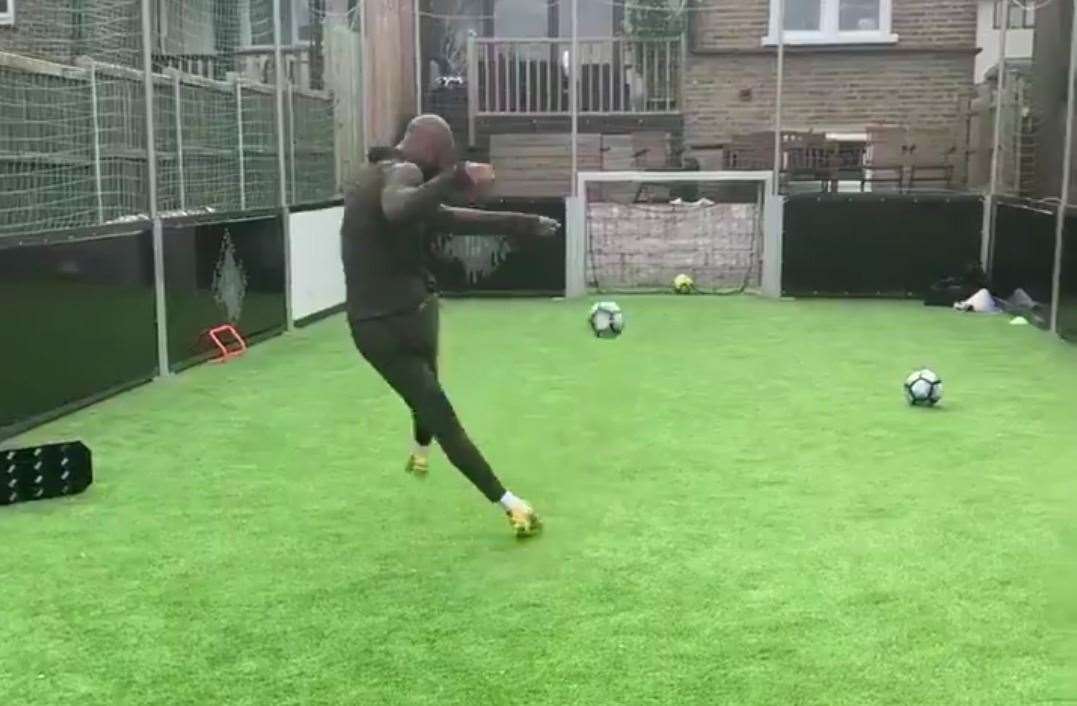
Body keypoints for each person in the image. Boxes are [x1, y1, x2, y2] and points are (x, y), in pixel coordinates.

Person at [340, 114, 560, 538]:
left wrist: (523, 223)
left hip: (388, 321)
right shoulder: (399, 172)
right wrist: (457, 175)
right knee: (440, 411)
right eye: (445, 154)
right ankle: (511, 504)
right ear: (431, 148)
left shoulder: (387, 178)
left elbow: (452, 218)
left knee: (426, 391)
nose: (447, 162)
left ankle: (421, 452)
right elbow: (397, 207)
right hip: (395, 320)